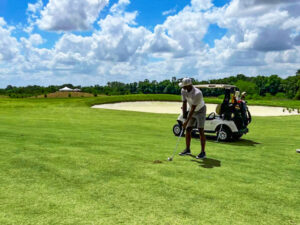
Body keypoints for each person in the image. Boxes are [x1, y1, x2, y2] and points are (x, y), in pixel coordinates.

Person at [178, 78, 207, 159]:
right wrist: (184, 118)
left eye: (184, 86)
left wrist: (186, 122)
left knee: (200, 130)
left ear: (189, 85)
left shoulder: (198, 93)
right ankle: (187, 149)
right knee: (188, 129)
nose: (182, 88)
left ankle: (203, 152)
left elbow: (194, 108)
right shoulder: (183, 91)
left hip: (200, 110)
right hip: (191, 109)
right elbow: (184, 103)